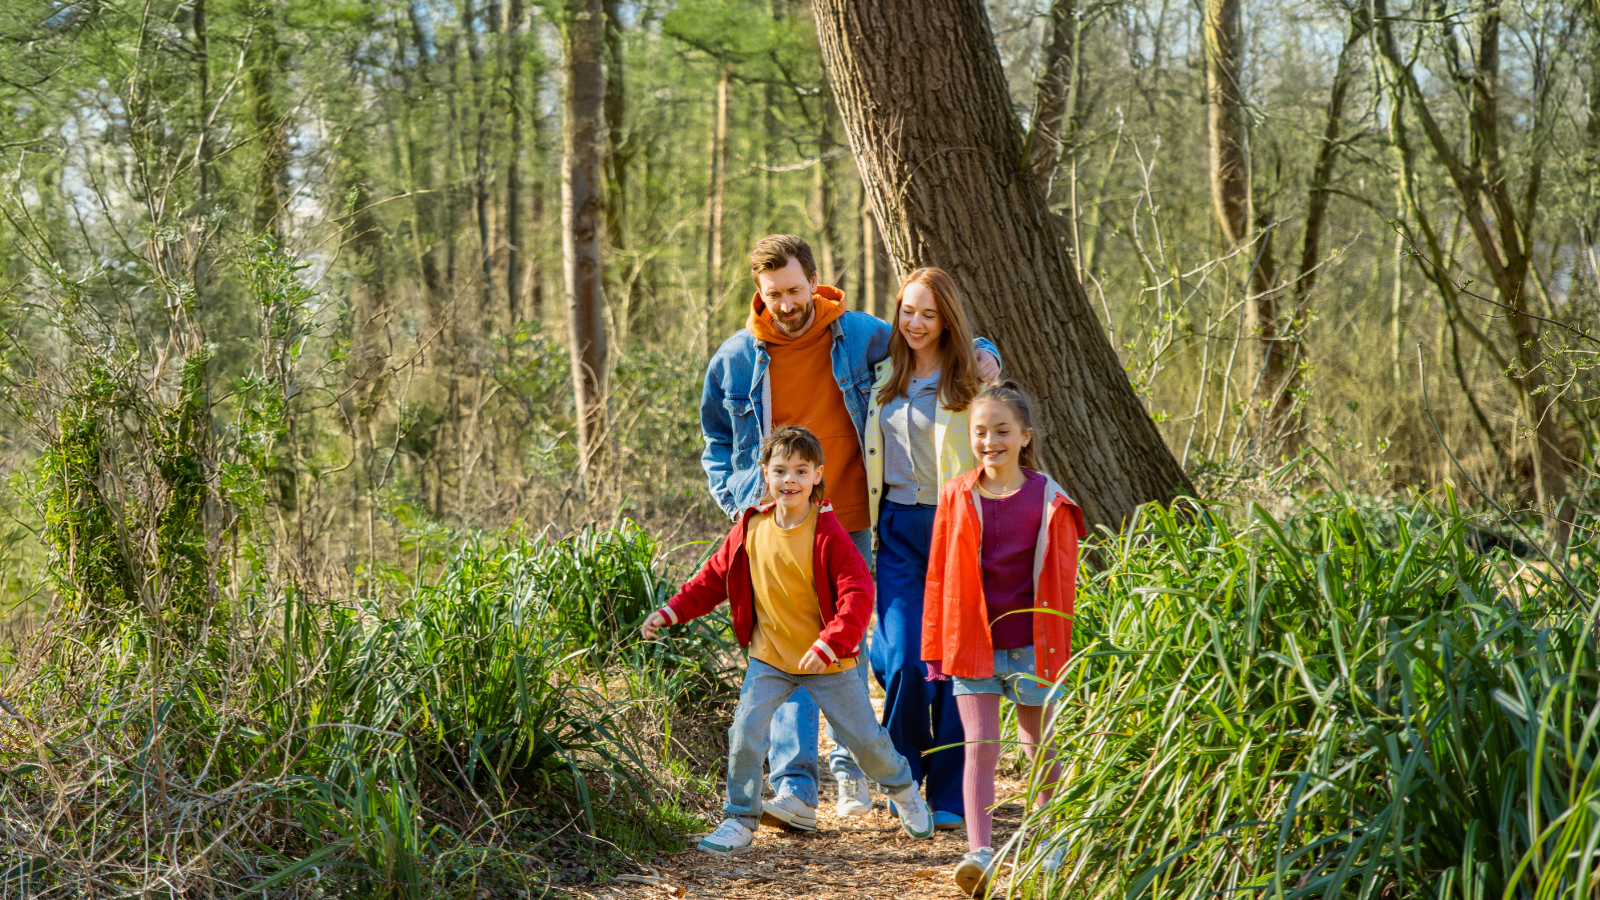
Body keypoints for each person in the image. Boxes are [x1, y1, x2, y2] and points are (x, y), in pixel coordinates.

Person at [700, 234, 999, 830]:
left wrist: (984, 346)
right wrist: (740, 501)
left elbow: (930, 339)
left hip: (855, 517)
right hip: (781, 524)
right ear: (759, 293)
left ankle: (852, 769)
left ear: (813, 280)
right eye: (772, 294)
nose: (785, 303)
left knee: (849, 645)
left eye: (793, 289)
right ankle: (795, 787)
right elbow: (715, 443)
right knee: (787, 642)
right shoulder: (736, 359)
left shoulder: (858, 333)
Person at [641, 426, 935, 856]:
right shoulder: (751, 527)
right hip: (770, 658)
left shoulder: (828, 534)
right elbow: (712, 580)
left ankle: (903, 789)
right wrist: (671, 611)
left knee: (867, 741)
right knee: (745, 732)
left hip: (828, 660)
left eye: (801, 470)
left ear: (818, 475)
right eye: (780, 470)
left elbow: (858, 593)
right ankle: (739, 818)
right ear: (764, 473)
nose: (789, 480)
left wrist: (832, 642)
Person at [921, 382, 1085, 897]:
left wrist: (1063, 641)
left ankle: (1051, 843)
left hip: (1034, 644)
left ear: (1024, 436)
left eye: (1001, 431)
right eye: (980, 431)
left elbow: (1063, 580)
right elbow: (938, 578)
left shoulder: (1049, 498)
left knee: (1039, 746)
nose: (989, 441)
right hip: (974, 645)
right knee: (980, 748)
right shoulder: (957, 495)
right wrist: (935, 648)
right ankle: (980, 854)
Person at [862, 267, 986, 832]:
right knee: (909, 660)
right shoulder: (884, 374)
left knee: (956, 664)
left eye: (928, 314)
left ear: (947, 320)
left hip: (956, 529)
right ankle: (904, 777)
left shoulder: (971, 380)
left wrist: (990, 351)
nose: (915, 322)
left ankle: (952, 791)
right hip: (898, 531)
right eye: (908, 310)